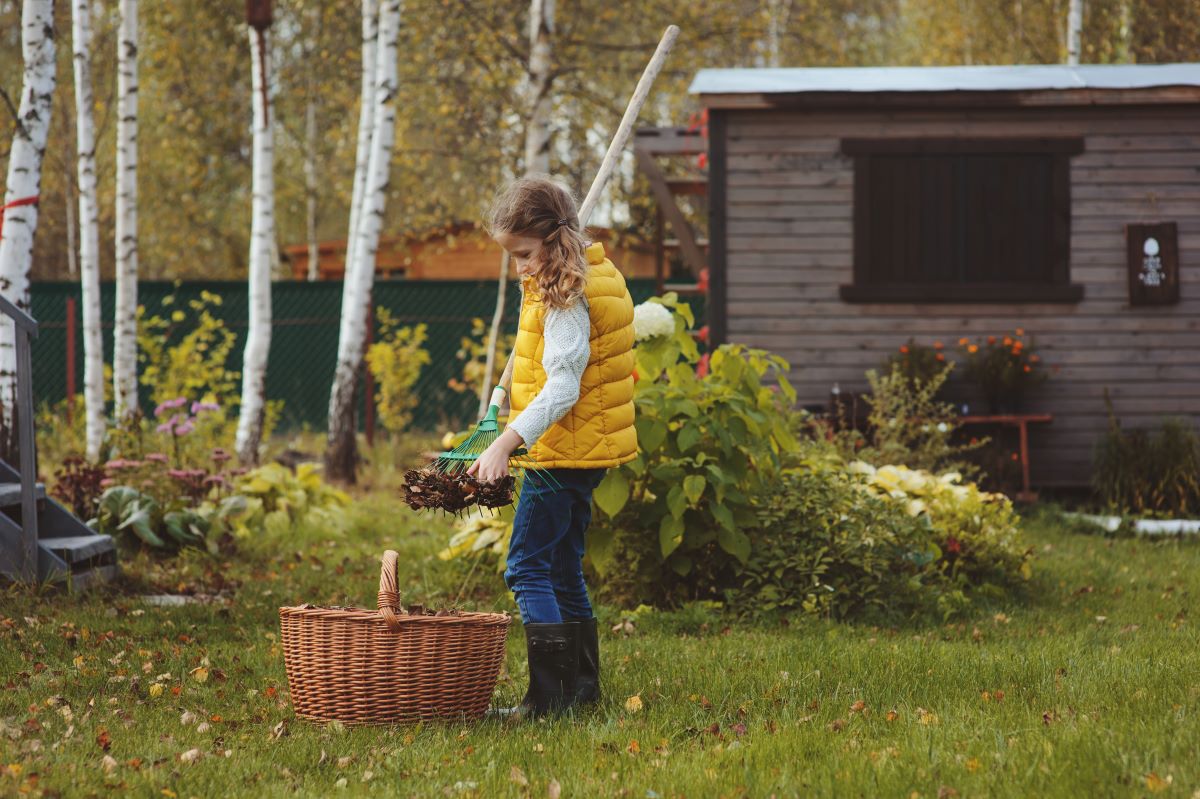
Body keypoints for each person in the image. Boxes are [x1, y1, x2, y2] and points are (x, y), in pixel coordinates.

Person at [467, 176, 637, 719]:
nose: (518, 266)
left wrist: (506, 445)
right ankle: (580, 690)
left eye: (522, 253)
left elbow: (563, 385)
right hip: (584, 452)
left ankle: (547, 701)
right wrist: (500, 393)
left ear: (551, 238)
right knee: (563, 567)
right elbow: (534, 352)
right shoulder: (589, 274)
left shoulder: (565, 295)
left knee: (526, 568)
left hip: (559, 453)